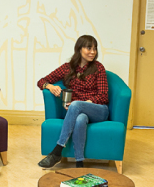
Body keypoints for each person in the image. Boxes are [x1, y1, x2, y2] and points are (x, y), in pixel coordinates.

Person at [37, 35, 109, 168]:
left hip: (99, 110)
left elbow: (103, 96)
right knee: (80, 119)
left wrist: (85, 103)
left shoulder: (98, 68)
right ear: (79, 49)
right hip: (77, 112)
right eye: (89, 48)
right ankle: (79, 163)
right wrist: (51, 86)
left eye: (95, 48)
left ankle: (58, 149)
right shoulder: (67, 68)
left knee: (76, 105)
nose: (93, 52)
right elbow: (41, 81)